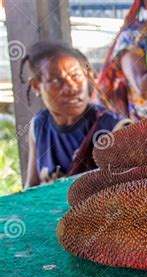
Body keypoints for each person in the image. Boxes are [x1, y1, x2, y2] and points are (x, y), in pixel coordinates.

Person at [21, 42, 130, 189]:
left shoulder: (114, 128)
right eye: (56, 80)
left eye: (76, 76)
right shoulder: (39, 125)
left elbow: (129, 190)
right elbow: (31, 188)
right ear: (36, 86)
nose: (71, 87)